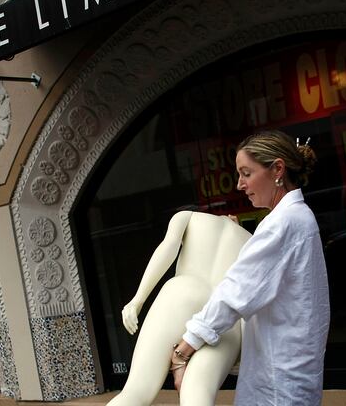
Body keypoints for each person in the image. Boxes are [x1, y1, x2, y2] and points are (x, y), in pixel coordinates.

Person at [171, 130, 331, 405]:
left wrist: (185, 348)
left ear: (277, 169)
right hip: (289, 372)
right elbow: (259, 275)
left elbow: (237, 291)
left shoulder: (283, 223)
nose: (240, 184)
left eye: (246, 173)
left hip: (278, 381)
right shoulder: (294, 218)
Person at [109, 210, 252, 406]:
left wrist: (138, 300)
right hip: (223, 315)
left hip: (183, 292)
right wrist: (244, 352)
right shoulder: (252, 241)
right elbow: (249, 296)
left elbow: (168, 248)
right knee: (198, 395)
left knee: (136, 391)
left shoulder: (190, 216)